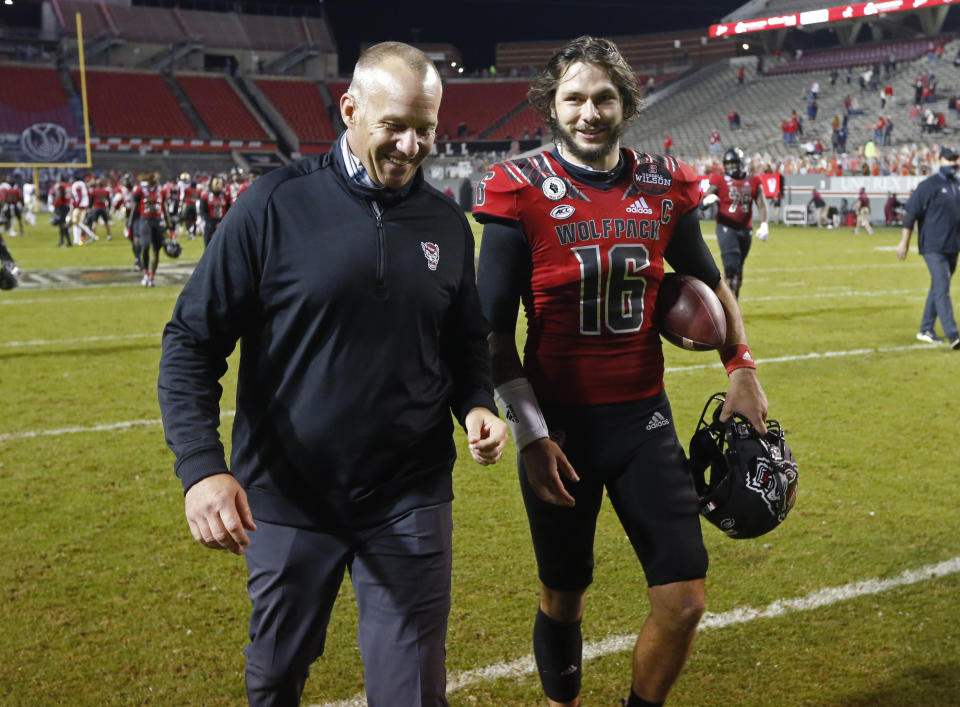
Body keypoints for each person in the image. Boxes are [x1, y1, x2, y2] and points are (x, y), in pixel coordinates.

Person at [157, 42, 508, 706]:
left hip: (410, 494)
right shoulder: (273, 205)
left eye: (425, 128)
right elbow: (190, 342)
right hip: (286, 497)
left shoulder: (447, 222)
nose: (411, 145)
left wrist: (478, 403)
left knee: (412, 691)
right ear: (349, 109)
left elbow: (465, 341)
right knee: (274, 677)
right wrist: (202, 467)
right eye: (394, 125)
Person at [473, 36, 768, 707]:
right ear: (552, 104)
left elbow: (711, 284)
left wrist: (741, 367)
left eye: (604, 96)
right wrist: (529, 433)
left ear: (626, 102)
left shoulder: (664, 186)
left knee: (685, 597)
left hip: (644, 418)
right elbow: (490, 334)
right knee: (563, 594)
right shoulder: (520, 191)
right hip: (559, 431)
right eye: (573, 97)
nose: (589, 111)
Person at [896, 146, 960, 349]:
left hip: (952, 246)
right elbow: (910, 214)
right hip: (933, 246)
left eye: (955, 160)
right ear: (939, 160)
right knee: (942, 287)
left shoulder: (956, 185)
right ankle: (954, 334)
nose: (953, 164)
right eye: (949, 160)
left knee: (938, 287)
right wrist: (904, 242)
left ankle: (926, 329)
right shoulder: (928, 186)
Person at [701, 147, 769, 297]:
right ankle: (727, 307)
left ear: (740, 163)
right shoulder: (719, 180)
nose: (731, 167)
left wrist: (764, 224)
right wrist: (707, 200)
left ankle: (732, 304)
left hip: (746, 229)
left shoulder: (753, 180)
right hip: (726, 227)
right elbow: (702, 203)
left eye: (733, 164)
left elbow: (762, 204)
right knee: (731, 267)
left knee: (737, 269)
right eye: (728, 164)